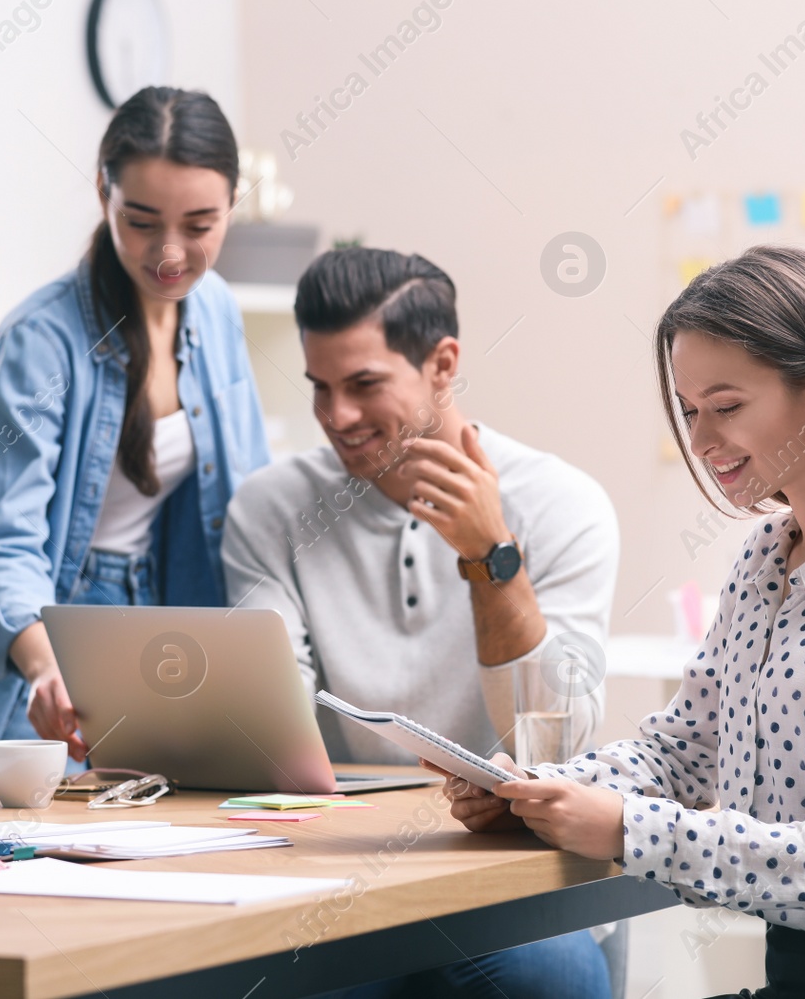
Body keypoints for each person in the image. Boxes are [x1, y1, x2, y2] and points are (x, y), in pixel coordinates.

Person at [436, 247, 805, 999]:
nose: (702, 440)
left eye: (726, 407)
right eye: (689, 411)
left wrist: (628, 827)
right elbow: (684, 750)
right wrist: (535, 790)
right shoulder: (766, 557)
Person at [223, 246, 619, 997]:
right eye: (320, 387)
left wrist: (490, 558)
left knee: (552, 977)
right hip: (337, 875)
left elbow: (558, 739)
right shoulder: (270, 508)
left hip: (510, 875)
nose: (337, 416)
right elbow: (270, 723)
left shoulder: (564, 503)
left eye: (364, 384)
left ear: (443, 363)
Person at [0, 87, 270, 784]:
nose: (171, 253)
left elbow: (251, 499)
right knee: (21, 880)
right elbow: (5, 545)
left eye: (200, 225)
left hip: (155, 629)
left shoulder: (218, 310)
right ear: (103, 190)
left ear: (233, 203)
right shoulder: (42, 340)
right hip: (38, 642)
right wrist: (49, 665)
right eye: (142, 221)